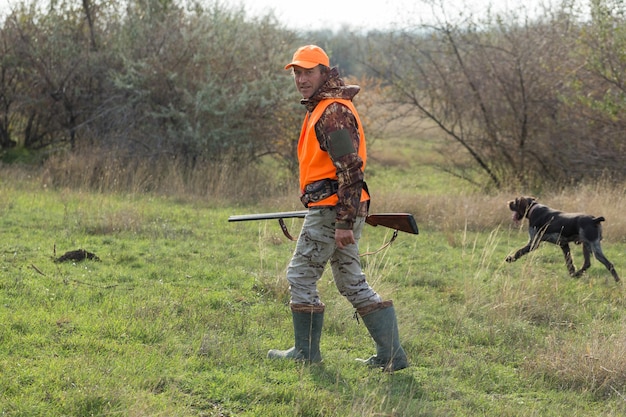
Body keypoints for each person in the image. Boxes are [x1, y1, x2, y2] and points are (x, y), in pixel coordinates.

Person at [267, 45, 408, 372]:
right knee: (350, 282)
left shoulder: (332, 111)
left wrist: (343, 222)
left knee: (300, 274)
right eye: (297, 73)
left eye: (308, 72)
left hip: (334, 210)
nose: (301, 79)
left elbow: (351, 169)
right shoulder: (323, 108)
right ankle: (392, 356)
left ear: (324, 73)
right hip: (337, 208)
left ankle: (305, 354)